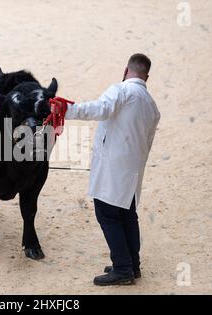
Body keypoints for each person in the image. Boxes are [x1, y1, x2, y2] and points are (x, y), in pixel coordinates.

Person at [58, 54, 161, 286]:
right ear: (147, 76)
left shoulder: (122, 90)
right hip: (133, 170)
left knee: (107, 214)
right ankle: (132, 265)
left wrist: (66, 109)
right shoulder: (152, 106)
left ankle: (123, 268)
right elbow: (148, 142)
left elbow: (100, 108)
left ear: (126, 70)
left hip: (113, 169)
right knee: (127, 215)